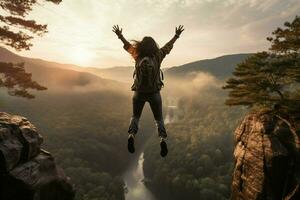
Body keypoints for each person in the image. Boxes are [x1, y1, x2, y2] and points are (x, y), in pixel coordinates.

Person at [112, 25, 184, 157]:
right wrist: (176, 36)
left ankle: (131, 135)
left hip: (139, 93)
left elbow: (127, 45)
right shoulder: (158, 55)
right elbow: (168, 46)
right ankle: (162, 139)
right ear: (153, 46)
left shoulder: (137, 55)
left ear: (142, 46)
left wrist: (120, 35)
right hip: (154, 93)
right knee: (159, 119)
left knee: (135, 117)